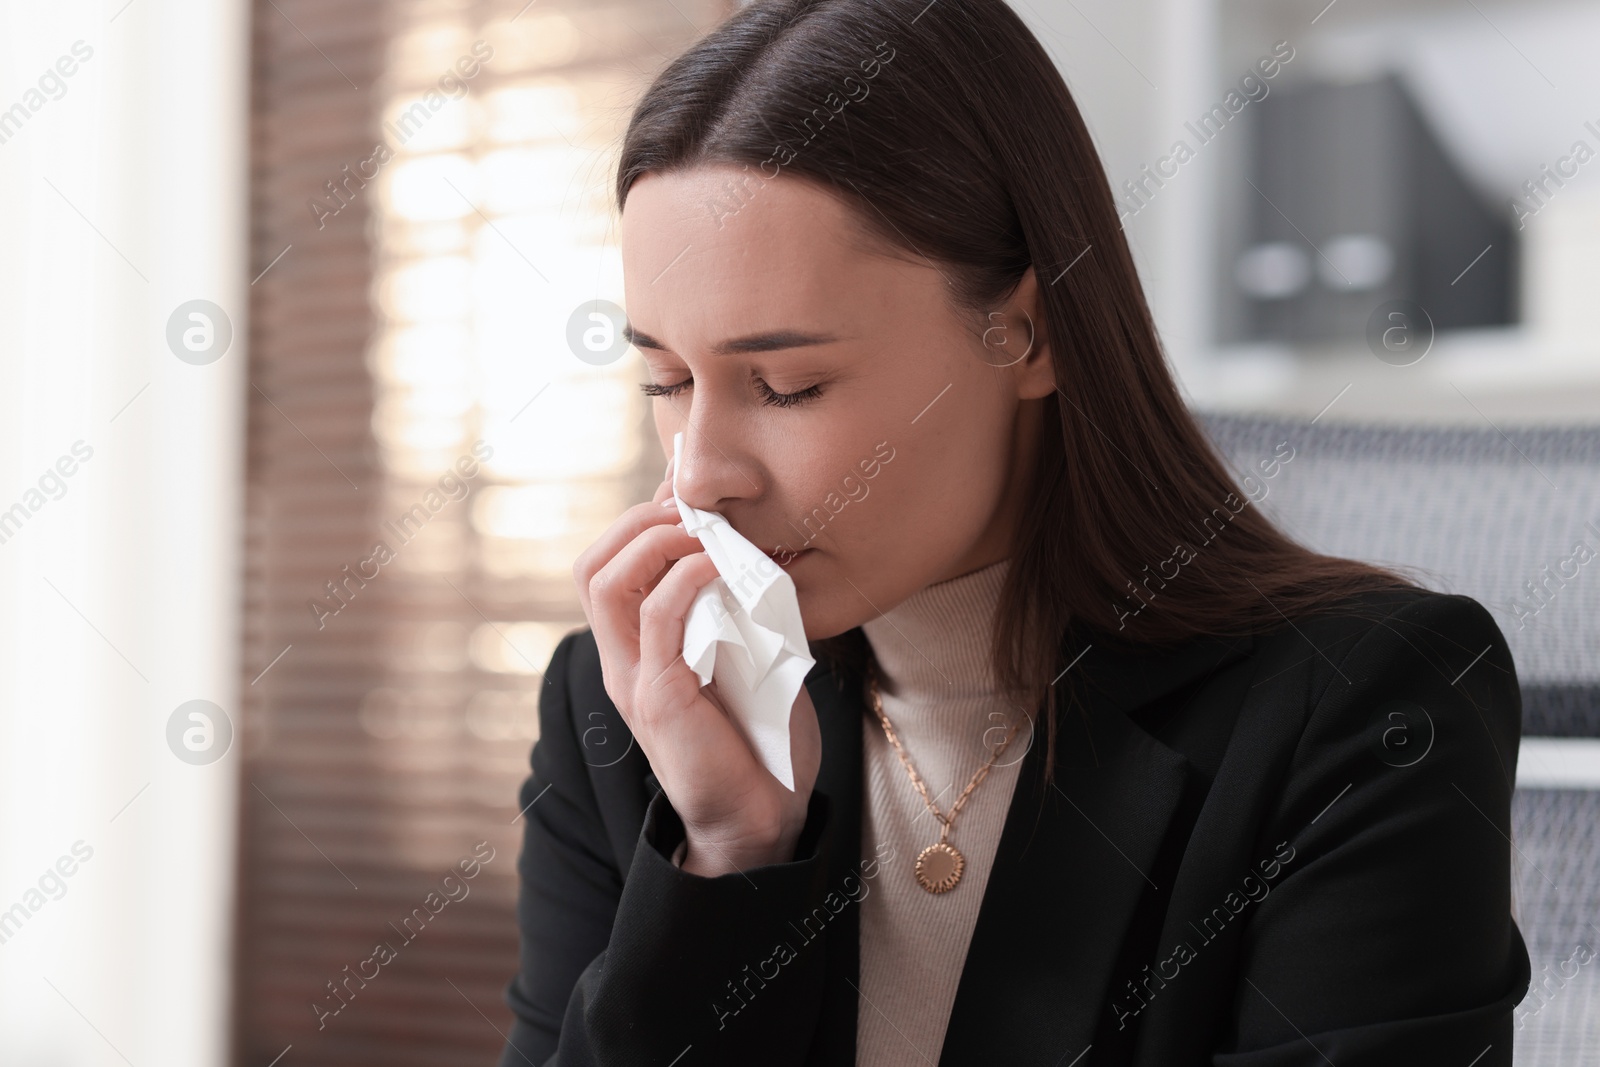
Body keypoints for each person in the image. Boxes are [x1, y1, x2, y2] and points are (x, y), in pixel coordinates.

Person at [498, 1, 1530, 1063]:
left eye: (788, 383)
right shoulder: (631, 710)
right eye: (665, 380)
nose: (700, 472)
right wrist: (725, 855)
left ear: (1027, 331)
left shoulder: (1359, 705)